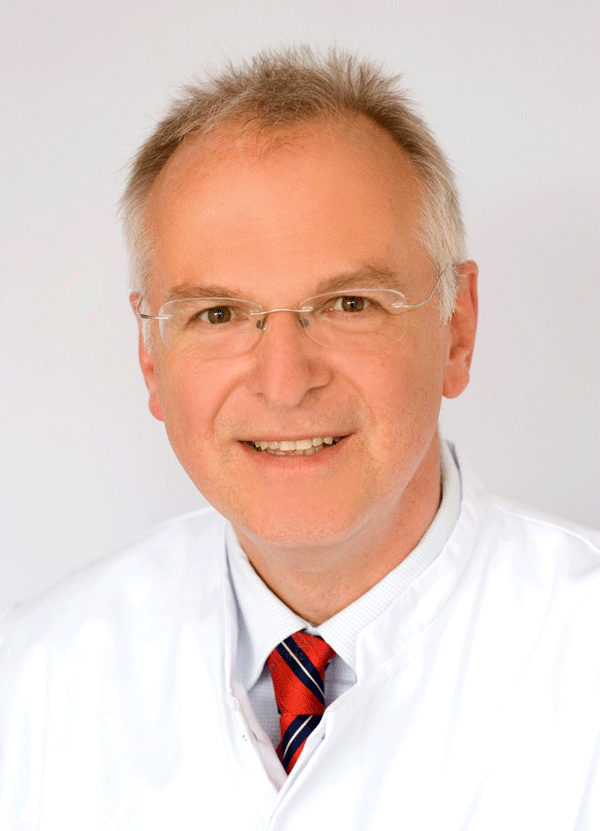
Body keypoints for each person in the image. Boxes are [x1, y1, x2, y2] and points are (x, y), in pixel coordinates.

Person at [1, 47, 599, 830]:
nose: (284, 382)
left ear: (457, 328)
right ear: (150, 356)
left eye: (350, 304)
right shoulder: (34, 682)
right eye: (218, 314)